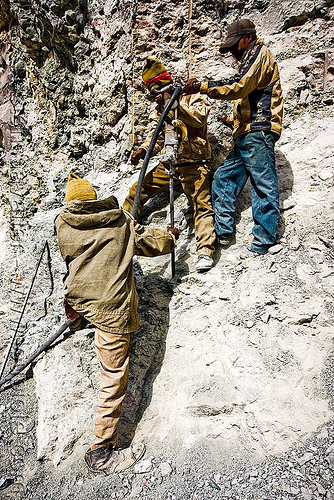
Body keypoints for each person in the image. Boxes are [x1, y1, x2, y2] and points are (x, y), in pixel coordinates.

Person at [55, 171, 177, 474]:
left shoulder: (63, 224)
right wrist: (171, 235)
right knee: (113, 376)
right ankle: (100, 453)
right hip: (111, 309)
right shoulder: (120, 221)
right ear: (94, 200)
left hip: (81, 301)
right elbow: (152, 244)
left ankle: (78, 318)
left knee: (88, 304)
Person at [184, 19, 283, 256]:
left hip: (259, 132)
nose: (231, 53)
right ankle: (224, 232)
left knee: (263, 184)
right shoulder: (249, 59)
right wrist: (231, 121)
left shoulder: (259, 53)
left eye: (233, 46)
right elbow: (248, 98)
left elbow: (239, 86)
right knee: (223, 177)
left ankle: (264, 240)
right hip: (246, 135)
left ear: (247, 38)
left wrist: (201, 86)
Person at [122, 58, 216, 272]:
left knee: (201, 204)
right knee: (137, 191)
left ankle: (205, 251)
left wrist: (175, 105)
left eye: (157, 94)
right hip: (170, 163)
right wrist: (144, 150)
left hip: (194, 162)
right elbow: (157, 135)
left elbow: (198, 119)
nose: (156, 100)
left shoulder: (193, 96)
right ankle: (125, 236)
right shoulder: (159, 107)